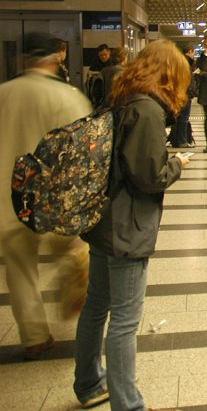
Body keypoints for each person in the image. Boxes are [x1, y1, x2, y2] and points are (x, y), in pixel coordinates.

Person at [73, 39, 192, 411]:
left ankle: (90, 383)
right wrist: (178, 165)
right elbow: (148, 176)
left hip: (105, 220)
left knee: (96, 308)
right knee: (125, 320)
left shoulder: (122, 98)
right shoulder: (148, 110)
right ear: (169, 74)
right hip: (127, 227)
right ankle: (128, 405)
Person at [0, 32, 92, 360]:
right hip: (53, 201)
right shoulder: (67, 97)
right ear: (57, 59)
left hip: (9, 202)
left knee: (21, 272)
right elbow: (82, 154)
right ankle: (82, 311)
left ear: (22, 60)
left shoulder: (3, 94)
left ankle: (35, 337)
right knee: (75, 252)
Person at [169, 46, 197, 148]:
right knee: (183, 119)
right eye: (193, 53)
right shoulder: (185, 64)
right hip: (184, 96)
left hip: (179, 95)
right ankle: (182, 141)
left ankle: (175, 140)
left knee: (178, 119)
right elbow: (186, 81)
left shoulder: (178, 63)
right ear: (190, 52)